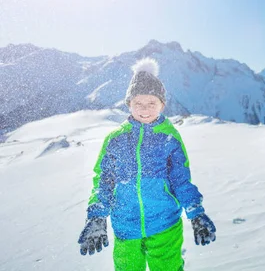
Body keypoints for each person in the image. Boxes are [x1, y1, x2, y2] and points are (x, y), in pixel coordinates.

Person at [78, 58, 216, 270]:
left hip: (165, 225)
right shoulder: (116, 139)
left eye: (152, 103)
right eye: (138, 103)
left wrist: (195, 212)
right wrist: (97, 216)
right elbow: (104, 179)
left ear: (162, 104)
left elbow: (180, 180)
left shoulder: (169, 138)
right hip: (126, 227)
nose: (145, 109)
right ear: (129, 104)